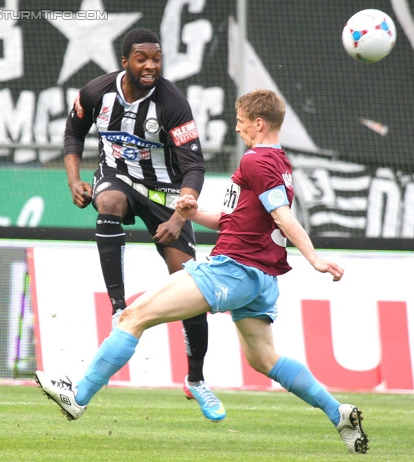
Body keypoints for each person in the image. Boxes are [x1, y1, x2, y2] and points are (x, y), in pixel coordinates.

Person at [37, 89, 369, 454]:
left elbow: (281, 215)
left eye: (242, 121)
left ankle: (79, 396)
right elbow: (233, 219)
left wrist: (314, 258)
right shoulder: (279, 162)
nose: (238, 128)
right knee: (263, 359)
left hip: (234, 269)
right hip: (260, 277)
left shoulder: (257, 162)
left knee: (133, 316)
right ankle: (336, 412)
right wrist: (192, 212)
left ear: (259, 123)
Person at [62, 28, 224, 421]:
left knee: (190, 282)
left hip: (164, 194)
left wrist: (177, 215)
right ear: (125, 62)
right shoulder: (96, 92)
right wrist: (74, 179)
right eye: (142, 59)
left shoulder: (173, 104)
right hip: (116, 177)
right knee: (110, 199)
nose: (150, 65)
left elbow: (194, 167)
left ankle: (197, 379)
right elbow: (73, 133)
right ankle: (119, 307)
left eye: (156, 58)